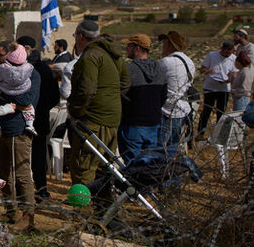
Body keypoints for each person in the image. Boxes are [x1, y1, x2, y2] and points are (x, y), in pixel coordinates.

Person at [67, 20, 129, 190]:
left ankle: (83, 213)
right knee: (105, 168)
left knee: (83, 167)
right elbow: (125, 82)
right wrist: (108, 96)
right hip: (112, 118)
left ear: (80, 36)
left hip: (93, 120)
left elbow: (87, 89)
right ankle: (104, 211)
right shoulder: (112, 53)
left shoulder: (91, 56)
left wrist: (76, 111)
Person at [0, 45, 41, 230]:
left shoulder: (32, 75)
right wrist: (5, 98)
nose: (2, 61)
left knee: (22, 175)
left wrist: (0, 92)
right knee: (2, 175)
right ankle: (11, 213)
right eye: (1, 58)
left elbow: (27, 102)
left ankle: (28, 218)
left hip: (19, 132)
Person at [16, 35, 59, 204]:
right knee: (39, 157)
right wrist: (42, 109)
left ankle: (22, 194)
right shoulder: (46, 69)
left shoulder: (21, 69)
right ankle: (42, 190)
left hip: (22, 120)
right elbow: (55, 97)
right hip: (41, 119)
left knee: (21, 158)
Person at [118, 34, 167, 162]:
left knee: (132, 164)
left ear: (137, 48)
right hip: (154, 123)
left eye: (129, 46)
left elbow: (120, 95)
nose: (126, 49)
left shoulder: (129, 70)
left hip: (133, 124)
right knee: (149, 164)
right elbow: (164, 96)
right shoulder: (161, 69)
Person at [157, 31, 195, 151]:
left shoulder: (166, 62)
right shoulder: (190, 62)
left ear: (170, 45)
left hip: (167, 111)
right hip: (183, 110)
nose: (163, 46)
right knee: (172, 148)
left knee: (159, 149)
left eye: (165, 43)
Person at [0, 44, 37, 136]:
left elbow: (25, 102)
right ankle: (30, 125)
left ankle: (29, 125)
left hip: (17, 131)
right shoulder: (27, 72)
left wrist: (0, 91)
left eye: (0, 55)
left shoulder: (32, 74)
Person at [197, 40, 236, 136]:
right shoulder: (211, 55)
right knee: (207, 110)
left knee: (221, 112)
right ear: (222, 49)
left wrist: (228, 79)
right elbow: (202, 69)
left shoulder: (233, 58)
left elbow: (235, 73)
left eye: (230, 53)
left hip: (224, 88)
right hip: (210, 87)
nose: (227, 54)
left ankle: (218, 135)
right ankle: (200, 133)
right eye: (226, 52)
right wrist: (209, 71)